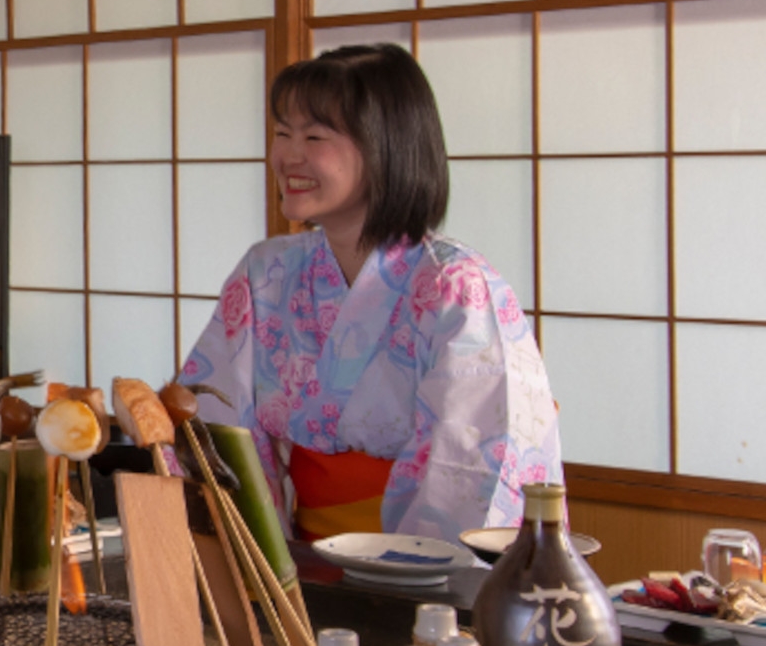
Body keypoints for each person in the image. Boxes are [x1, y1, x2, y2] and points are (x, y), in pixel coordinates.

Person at [179, 43, 561, 542]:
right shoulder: (266, 273)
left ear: (386, 147)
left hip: (421, 565)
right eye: (281, 133)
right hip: (298, 566)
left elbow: (477, 464)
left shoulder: (457, 288)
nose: (288, 155)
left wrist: (408, 576)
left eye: (315, 135)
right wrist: (267, 565)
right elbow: (214, 423)